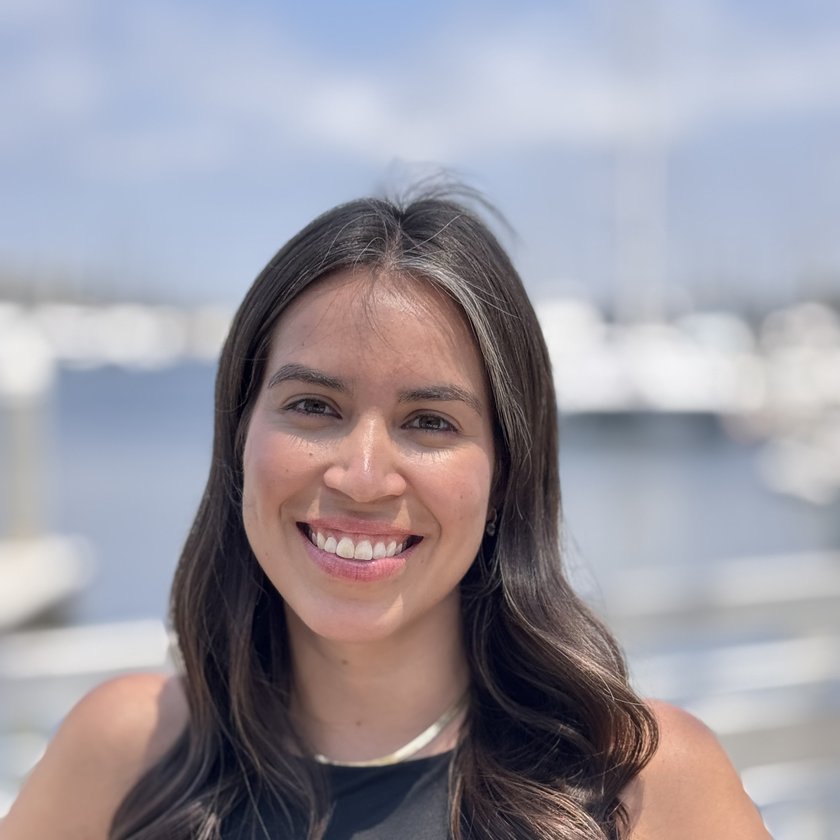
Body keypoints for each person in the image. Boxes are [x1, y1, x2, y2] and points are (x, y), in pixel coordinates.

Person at [1, 186, 770, 840]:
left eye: (430, 421)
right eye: (313, 406)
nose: (363, 477)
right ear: (239, 437)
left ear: (506, 472)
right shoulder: (123, 755)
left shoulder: (641, 787)